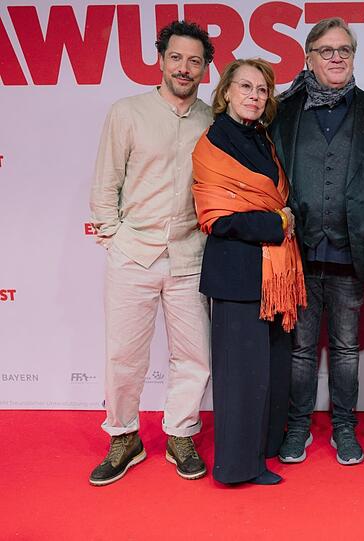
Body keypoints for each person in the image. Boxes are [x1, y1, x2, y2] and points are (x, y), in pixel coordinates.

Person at [88, 20, 214, 486]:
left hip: (190, 256)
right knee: (123, 355)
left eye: (194, 61)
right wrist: (114, 238)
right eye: (176, 58)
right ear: (161, 60)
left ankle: (180, 433)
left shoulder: (212, 121)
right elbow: (105, 183)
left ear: (205, 68)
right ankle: (124, 436)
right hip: (133, 254)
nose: (184, 68)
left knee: (194, 356)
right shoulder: (127, 112)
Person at [270, 17, 364, 466]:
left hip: (351, 255)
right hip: (298, 254)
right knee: (301, 350)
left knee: (346, 350)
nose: (337, 57)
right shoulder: (281, 112)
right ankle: (298, 427)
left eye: (344, 50)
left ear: (354, 57)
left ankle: (345, 427)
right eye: (326, 50)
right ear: (309, 58)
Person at [192, 58, 306, 485]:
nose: (255, 96)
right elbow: (217, 217)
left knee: (270, 371)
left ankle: (265, 449)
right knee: (241, 377)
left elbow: (274, 199)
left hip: (273, 276)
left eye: (262, 90)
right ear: (226, 92)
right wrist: (278, 222)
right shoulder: (213, 142)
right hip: (236, 275)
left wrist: (282, 218)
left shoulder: (261, 138)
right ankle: (238, 467)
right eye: (246, 87)